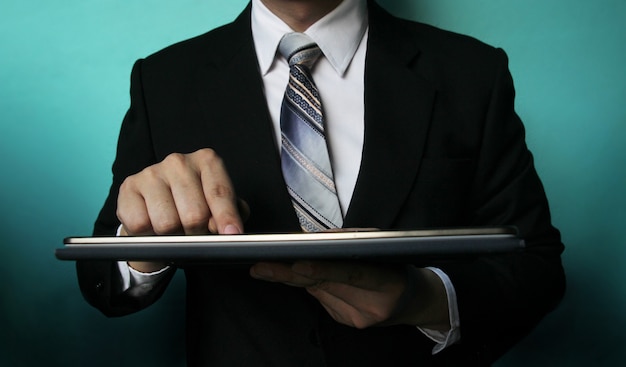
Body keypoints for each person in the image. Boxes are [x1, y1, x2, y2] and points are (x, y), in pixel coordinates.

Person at [76, 0, 565, 365]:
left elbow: (536, 267)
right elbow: (104, 283)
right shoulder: (163, 79)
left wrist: (424, 299)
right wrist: (144, 247)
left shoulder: (471, 73)